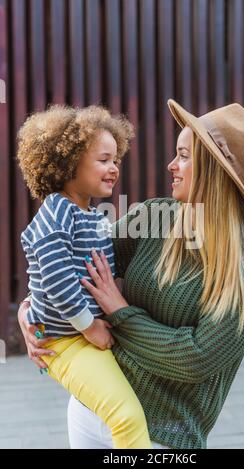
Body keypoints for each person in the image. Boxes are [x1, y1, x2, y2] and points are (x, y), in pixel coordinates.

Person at [18, 99, 244, 449]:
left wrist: (121, 314)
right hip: (93, 409)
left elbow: (197, 358)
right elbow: (70, 260)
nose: (171, 165)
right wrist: (31, 312)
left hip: (162, 436)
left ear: (215, 169)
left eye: (184, 155)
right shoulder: (156, 217)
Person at [17, 104, 153, 449]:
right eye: (103, 160)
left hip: (77, 336)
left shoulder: (90, 214)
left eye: (115, 159)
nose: (114, 168)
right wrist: (89, 326)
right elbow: (58, 281)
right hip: (63, 341)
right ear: (69, 163)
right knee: (126, 417)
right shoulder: (57, 213)